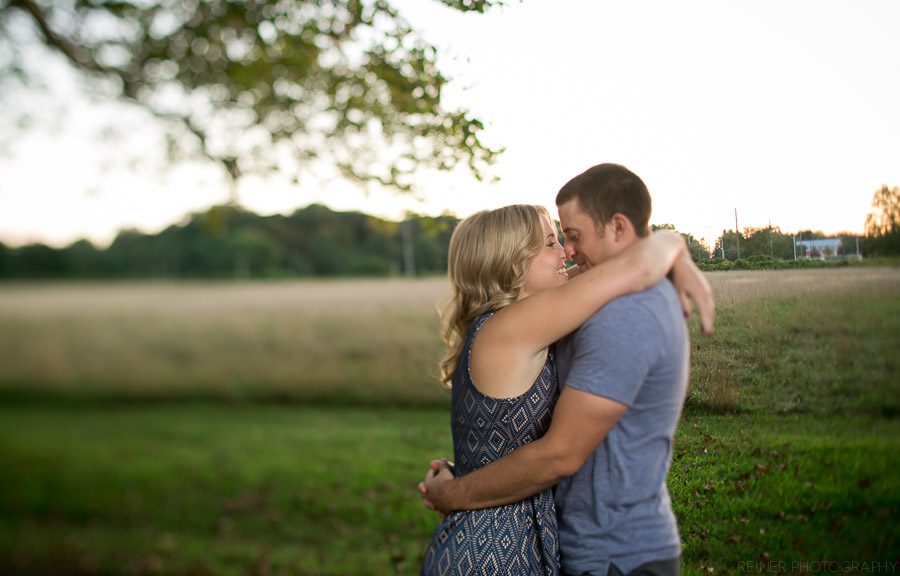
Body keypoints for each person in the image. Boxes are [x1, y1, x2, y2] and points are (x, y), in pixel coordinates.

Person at [420, 164, 712, 576]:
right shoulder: (513, 327)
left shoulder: (520, 321)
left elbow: (624, 260)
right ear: (512, 263)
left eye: (568, 238)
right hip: (490, 554)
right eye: (554, 242)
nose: (567, 254)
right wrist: (670, 247)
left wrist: (671, 247)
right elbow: (635, 265)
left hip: (519, 543)